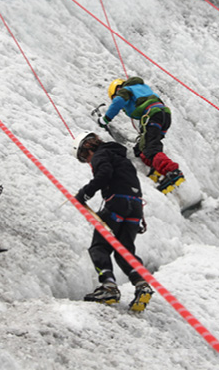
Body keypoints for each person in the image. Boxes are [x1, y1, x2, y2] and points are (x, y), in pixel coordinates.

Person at [72, 131, 154, 312]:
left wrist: (84, 193)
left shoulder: (101, 154)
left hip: (117, 204)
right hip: (135, 208)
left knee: (99, 247)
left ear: (88, 147)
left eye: (84, 157)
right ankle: (141, 284)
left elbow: (103, 175)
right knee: (123, 250)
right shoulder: (122, 158)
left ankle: (108, 287)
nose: (87, 161)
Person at [97, 76, 184, 193]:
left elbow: (119, 101)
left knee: (150, 148)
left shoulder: (125, 90)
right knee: (141, 148)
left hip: (152, 115)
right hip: (164, 116)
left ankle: (172, 171)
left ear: (117, 90)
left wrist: (106, 119)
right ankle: (156, 169)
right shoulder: (142, 88)